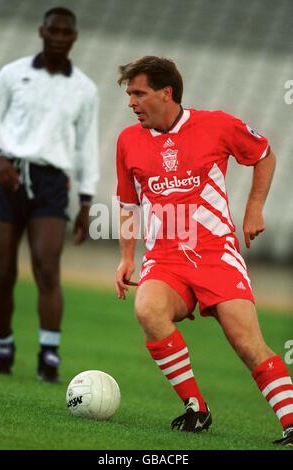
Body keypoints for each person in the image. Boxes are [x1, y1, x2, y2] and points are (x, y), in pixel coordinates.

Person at [115, 56, 293, 445]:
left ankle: (291, 421)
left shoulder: (217, 124)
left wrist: (254, 209)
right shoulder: (128, 140)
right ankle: (196, 408)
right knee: (148, 309)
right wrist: (128, 256)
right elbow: (128, 203)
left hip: (215, 254)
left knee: (246, 342)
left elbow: (264, 154)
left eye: (138, 93)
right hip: (164, 259)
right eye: (130, 94)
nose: (131, 103)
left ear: (166, 92)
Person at [0, 7, 99, 383]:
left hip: (53, 182)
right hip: (6, 177)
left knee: (47, 266)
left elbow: (86, 144)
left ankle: (49, 355)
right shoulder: (12, 73)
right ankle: (1, 347)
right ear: (41, 31)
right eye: (52, 30)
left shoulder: (85, 88)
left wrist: (87, 200)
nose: (57, 36)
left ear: (74, 37)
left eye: (65, 32)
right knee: (1, 272)